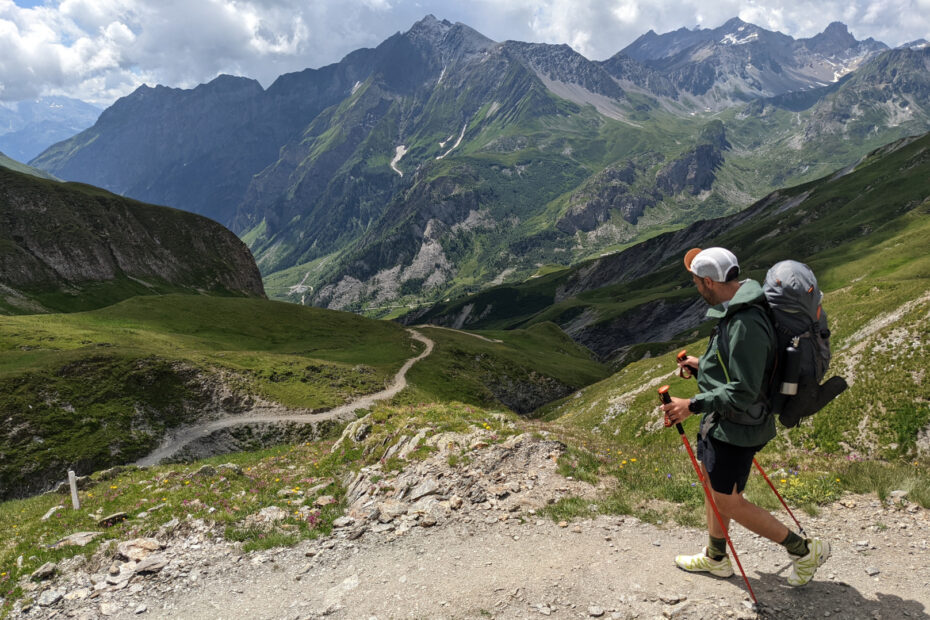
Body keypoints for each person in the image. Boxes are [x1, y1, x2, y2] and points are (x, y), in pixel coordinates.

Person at [660, 247, 830, 587]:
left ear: (709, 281)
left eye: (696, 280)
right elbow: (743, 368)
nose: (694, 286)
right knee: (716, 489)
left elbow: (744, 391)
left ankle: (803, 550)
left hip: (739, 426)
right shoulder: (743, 304)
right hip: (730, 421)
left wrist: (690, 405)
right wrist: (702, 367)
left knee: (729, 500)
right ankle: (716, 558)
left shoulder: (745, 322)